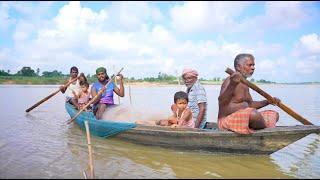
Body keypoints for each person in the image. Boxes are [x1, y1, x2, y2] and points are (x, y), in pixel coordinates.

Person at [218, 53, 280, 134]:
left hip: (244, 117)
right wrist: (232, 84)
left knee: (273, 115)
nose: (253, 68)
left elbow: (250, 105)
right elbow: (221, 102)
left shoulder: (245, 84)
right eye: (250, 65)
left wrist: (268, 102)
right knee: (254, 115)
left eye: (253, 65)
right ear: (238, 67)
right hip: (226, 121)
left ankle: (258, 127)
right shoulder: (230, 80)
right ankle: (265, 130)